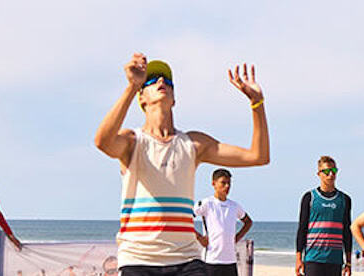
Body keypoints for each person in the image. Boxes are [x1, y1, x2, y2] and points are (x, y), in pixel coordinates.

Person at [93, 53, 270, 276]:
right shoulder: (133, 142)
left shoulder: (193, 144)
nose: (161, 82)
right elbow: (103, 141)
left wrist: (257, 103)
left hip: (186, 259)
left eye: (167, 81)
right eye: (152, 80)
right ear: (142, 98)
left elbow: (258, 155)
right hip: (139, 259)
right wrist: (131, 87)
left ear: (174, 99)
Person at [295, 156, 353, 276]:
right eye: (326, 171)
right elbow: (302, 229)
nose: (330, 174)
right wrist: (298, 258)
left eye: (333, 171)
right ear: (319, 174)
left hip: (335, 260)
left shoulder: (344, 199)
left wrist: (348, 262)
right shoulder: (310, 198)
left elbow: (347, 231)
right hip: (313, 259)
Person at [194, 168, 254, 276]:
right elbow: (186, 218)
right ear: (214, 183)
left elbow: (248, 222)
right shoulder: (206, 203)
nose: (227, 186)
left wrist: (237, 238)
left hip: (230, 261)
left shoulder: (234, 206)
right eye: (223, 183)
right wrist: (199, 238)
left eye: (229, 183)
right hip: (211, 260)